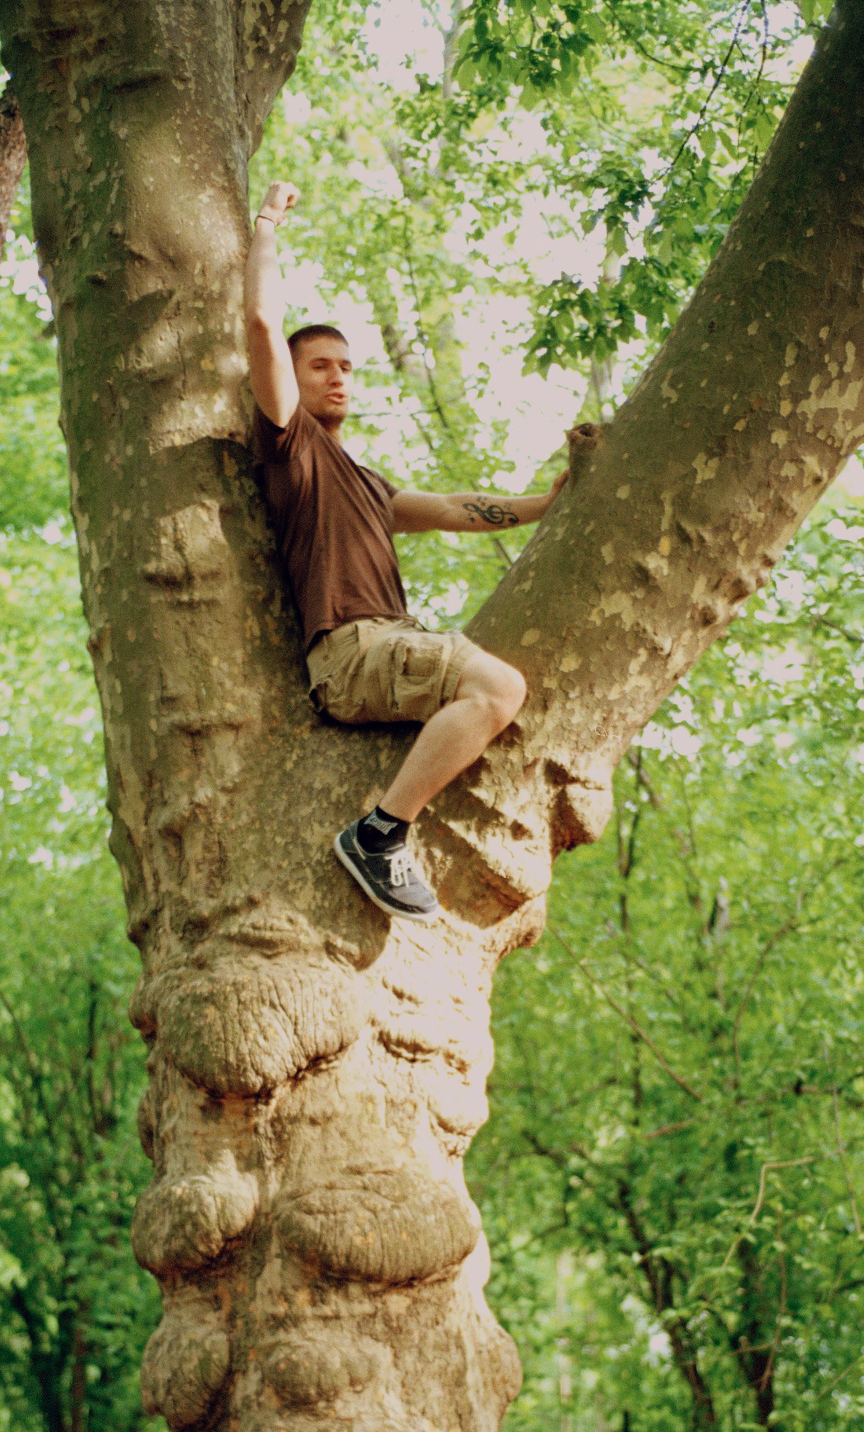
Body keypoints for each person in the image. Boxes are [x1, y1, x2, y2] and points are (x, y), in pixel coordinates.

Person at [244, 180, 567, 923]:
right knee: (498, 688)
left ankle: (386, 826)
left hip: (386, 645)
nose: (338, 377)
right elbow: (262, 321)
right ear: (290, 380)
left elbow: (457, 509)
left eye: (347, 367)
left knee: (496, 693)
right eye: (321, 364)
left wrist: (548, 505)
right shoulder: (292, 445)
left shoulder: (363, 480)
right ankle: (379, 835)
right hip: (352, 651)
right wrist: (267, 224)